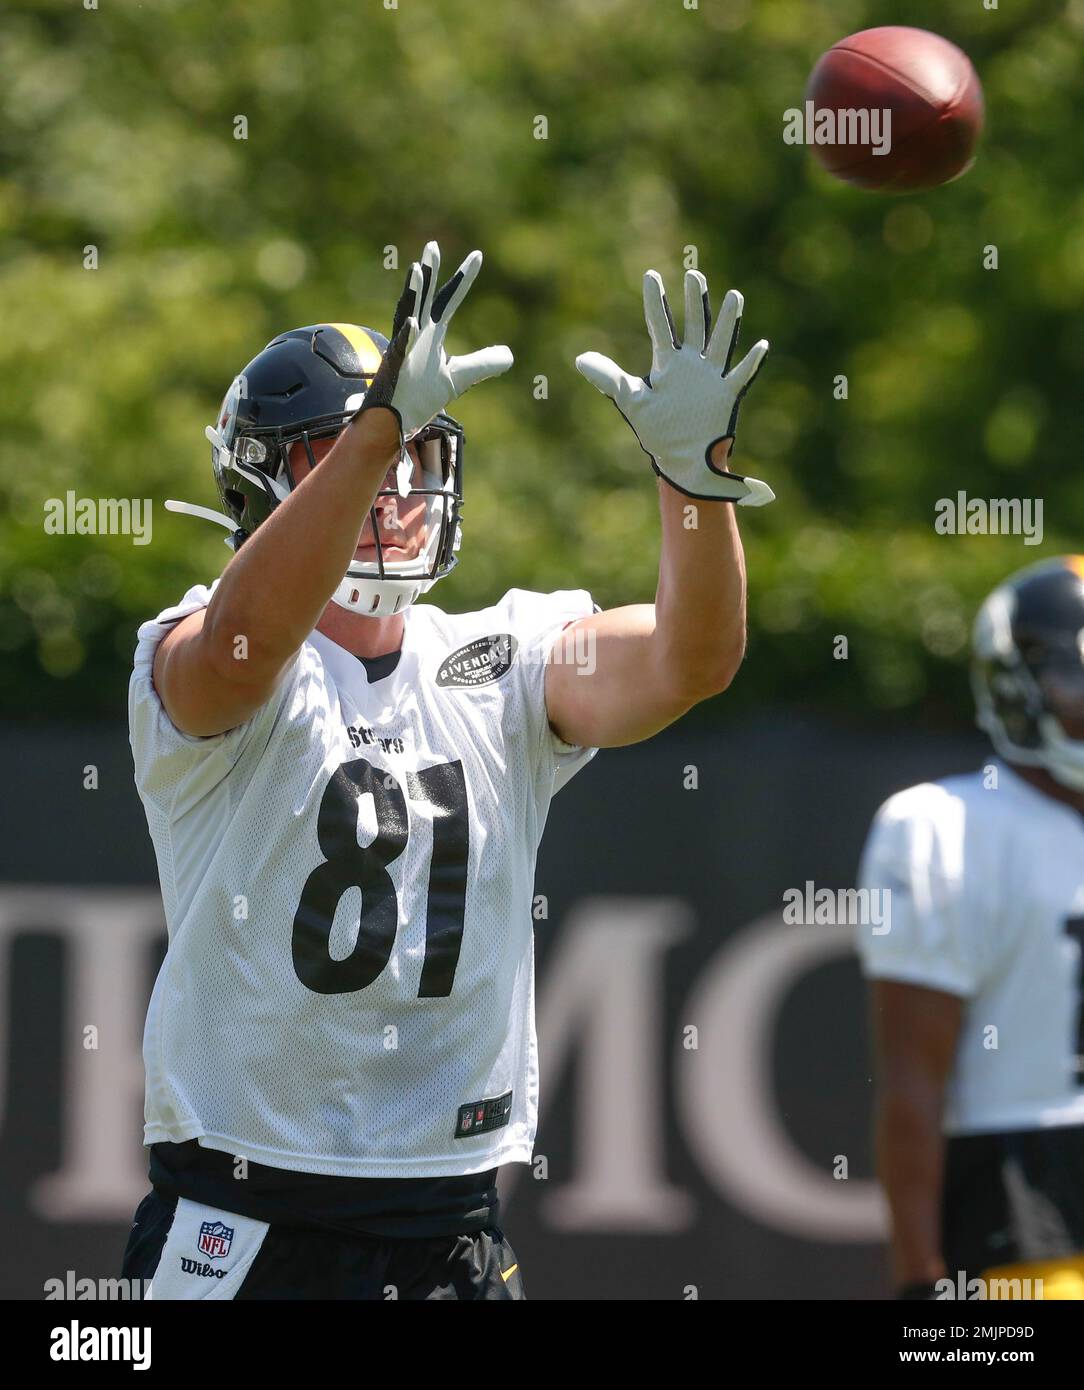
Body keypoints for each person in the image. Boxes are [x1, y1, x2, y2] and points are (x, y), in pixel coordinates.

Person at [121, 240, 771, 1299]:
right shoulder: (202, 646)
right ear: (258, 478)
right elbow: (241, 646)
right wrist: (371, 435)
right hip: (240, 1220)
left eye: (416, 457)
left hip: (450, 1219)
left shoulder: (503, 656)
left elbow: (692, 661)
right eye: (339, 456)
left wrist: (696, 487)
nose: (394, 485)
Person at [858, 556, 1084, 1300]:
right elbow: (912, 1083)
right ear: (1017, 686)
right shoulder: (944, 828)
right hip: (1029, 1219)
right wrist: (921, 1279)